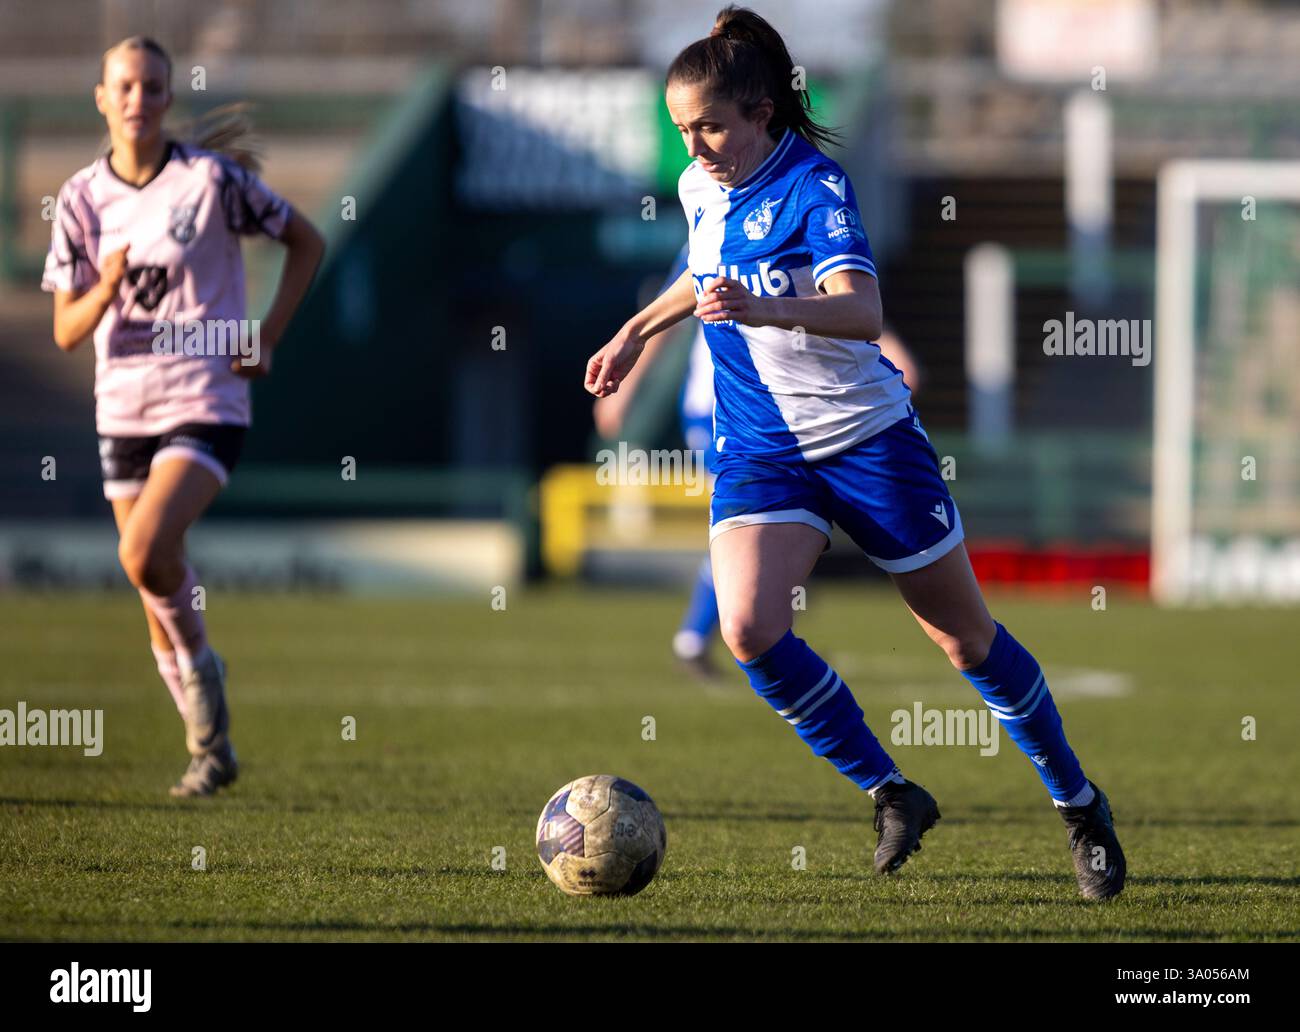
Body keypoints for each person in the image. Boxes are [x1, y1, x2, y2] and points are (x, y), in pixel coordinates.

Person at [583, 6, 1125, 900]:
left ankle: (1078, 806)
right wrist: (637, 332)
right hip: (758, 447)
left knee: (965, 641)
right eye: (683, 129)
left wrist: (769, 308)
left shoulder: (816, 187)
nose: (697, 144)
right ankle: (893, 791)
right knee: (749, 627)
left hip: (867, 442)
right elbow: (702, 265)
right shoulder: (698, 183)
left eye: (710, 125)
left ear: (762, 110)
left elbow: (860, 312)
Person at [42, 36, 325, 797]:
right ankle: (210, 748)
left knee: (142, 555)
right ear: (101, 98)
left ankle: (206, 691)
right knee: (155, 579)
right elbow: (67, 331)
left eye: (153, 87)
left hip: (205, 399)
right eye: (124, 87)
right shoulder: (78, 199)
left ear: (169, 98)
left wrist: (265, 334)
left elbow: (306, 239)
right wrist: (102, 290)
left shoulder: (211, 182)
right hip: (121, 408)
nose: (138, 99)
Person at [595, 244, 924, 684]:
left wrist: (891, 349)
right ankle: (699, 638)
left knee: (775, 536)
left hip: (786, 416)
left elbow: (845, 303)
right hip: (721, 411)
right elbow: (666, 314)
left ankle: (762, 637)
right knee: (750, 529)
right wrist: (629, 381)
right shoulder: (711, 227)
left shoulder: (804, 219)